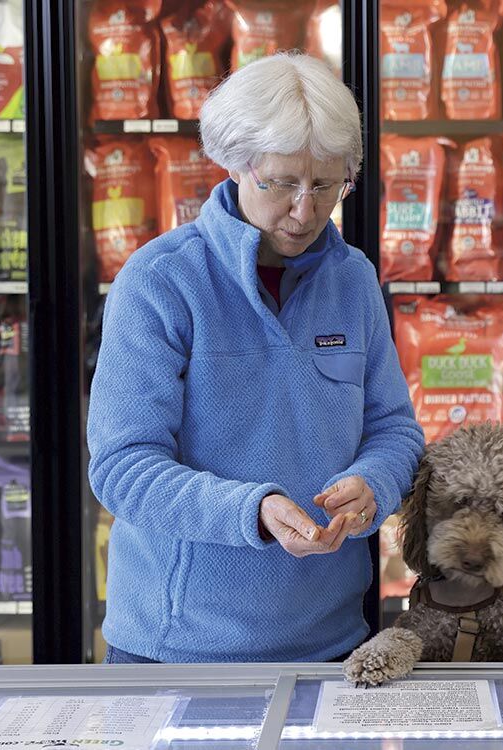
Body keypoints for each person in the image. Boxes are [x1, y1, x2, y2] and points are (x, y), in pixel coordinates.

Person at [87, 52, 425, 664]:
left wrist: (374, 484)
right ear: (238, 164)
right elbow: (123, 467)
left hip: (335, 645)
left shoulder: (353, 281)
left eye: (326, 185)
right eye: (282, 183)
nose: (305, 210)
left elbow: (393, 428)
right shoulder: (162, 281)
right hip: (176, 651)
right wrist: (254, 512)